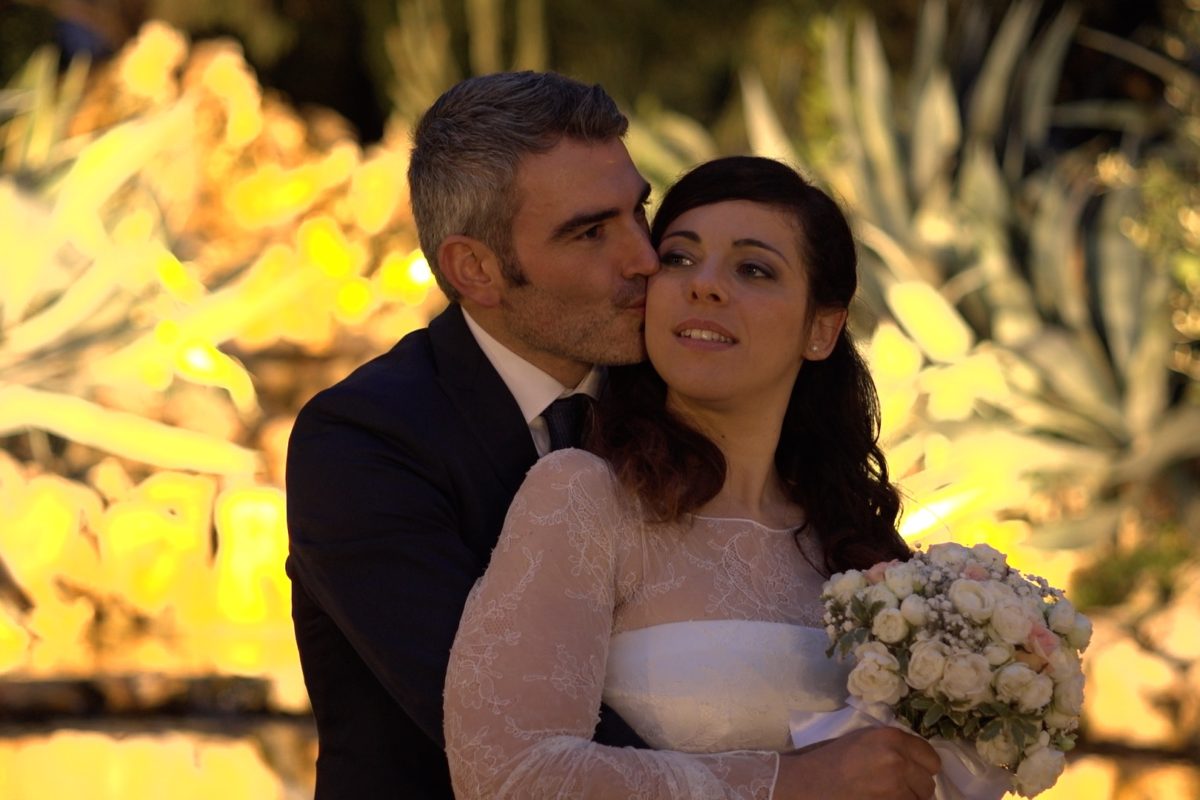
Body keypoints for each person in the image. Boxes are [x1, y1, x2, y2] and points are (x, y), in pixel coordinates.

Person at [444, 156, 943, 799]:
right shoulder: (583, 496)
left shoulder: (857, 548)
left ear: (822, 329)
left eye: (753, 269)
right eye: (679, 258)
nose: (704, 286)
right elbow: (508, 774)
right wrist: (792, 783)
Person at [285, 71, 657, 799]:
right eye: (591, 232)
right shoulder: (361, 443)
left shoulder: (679, 395)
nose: (643, 258)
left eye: (638, 211)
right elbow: (498, 724)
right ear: (476, 269)